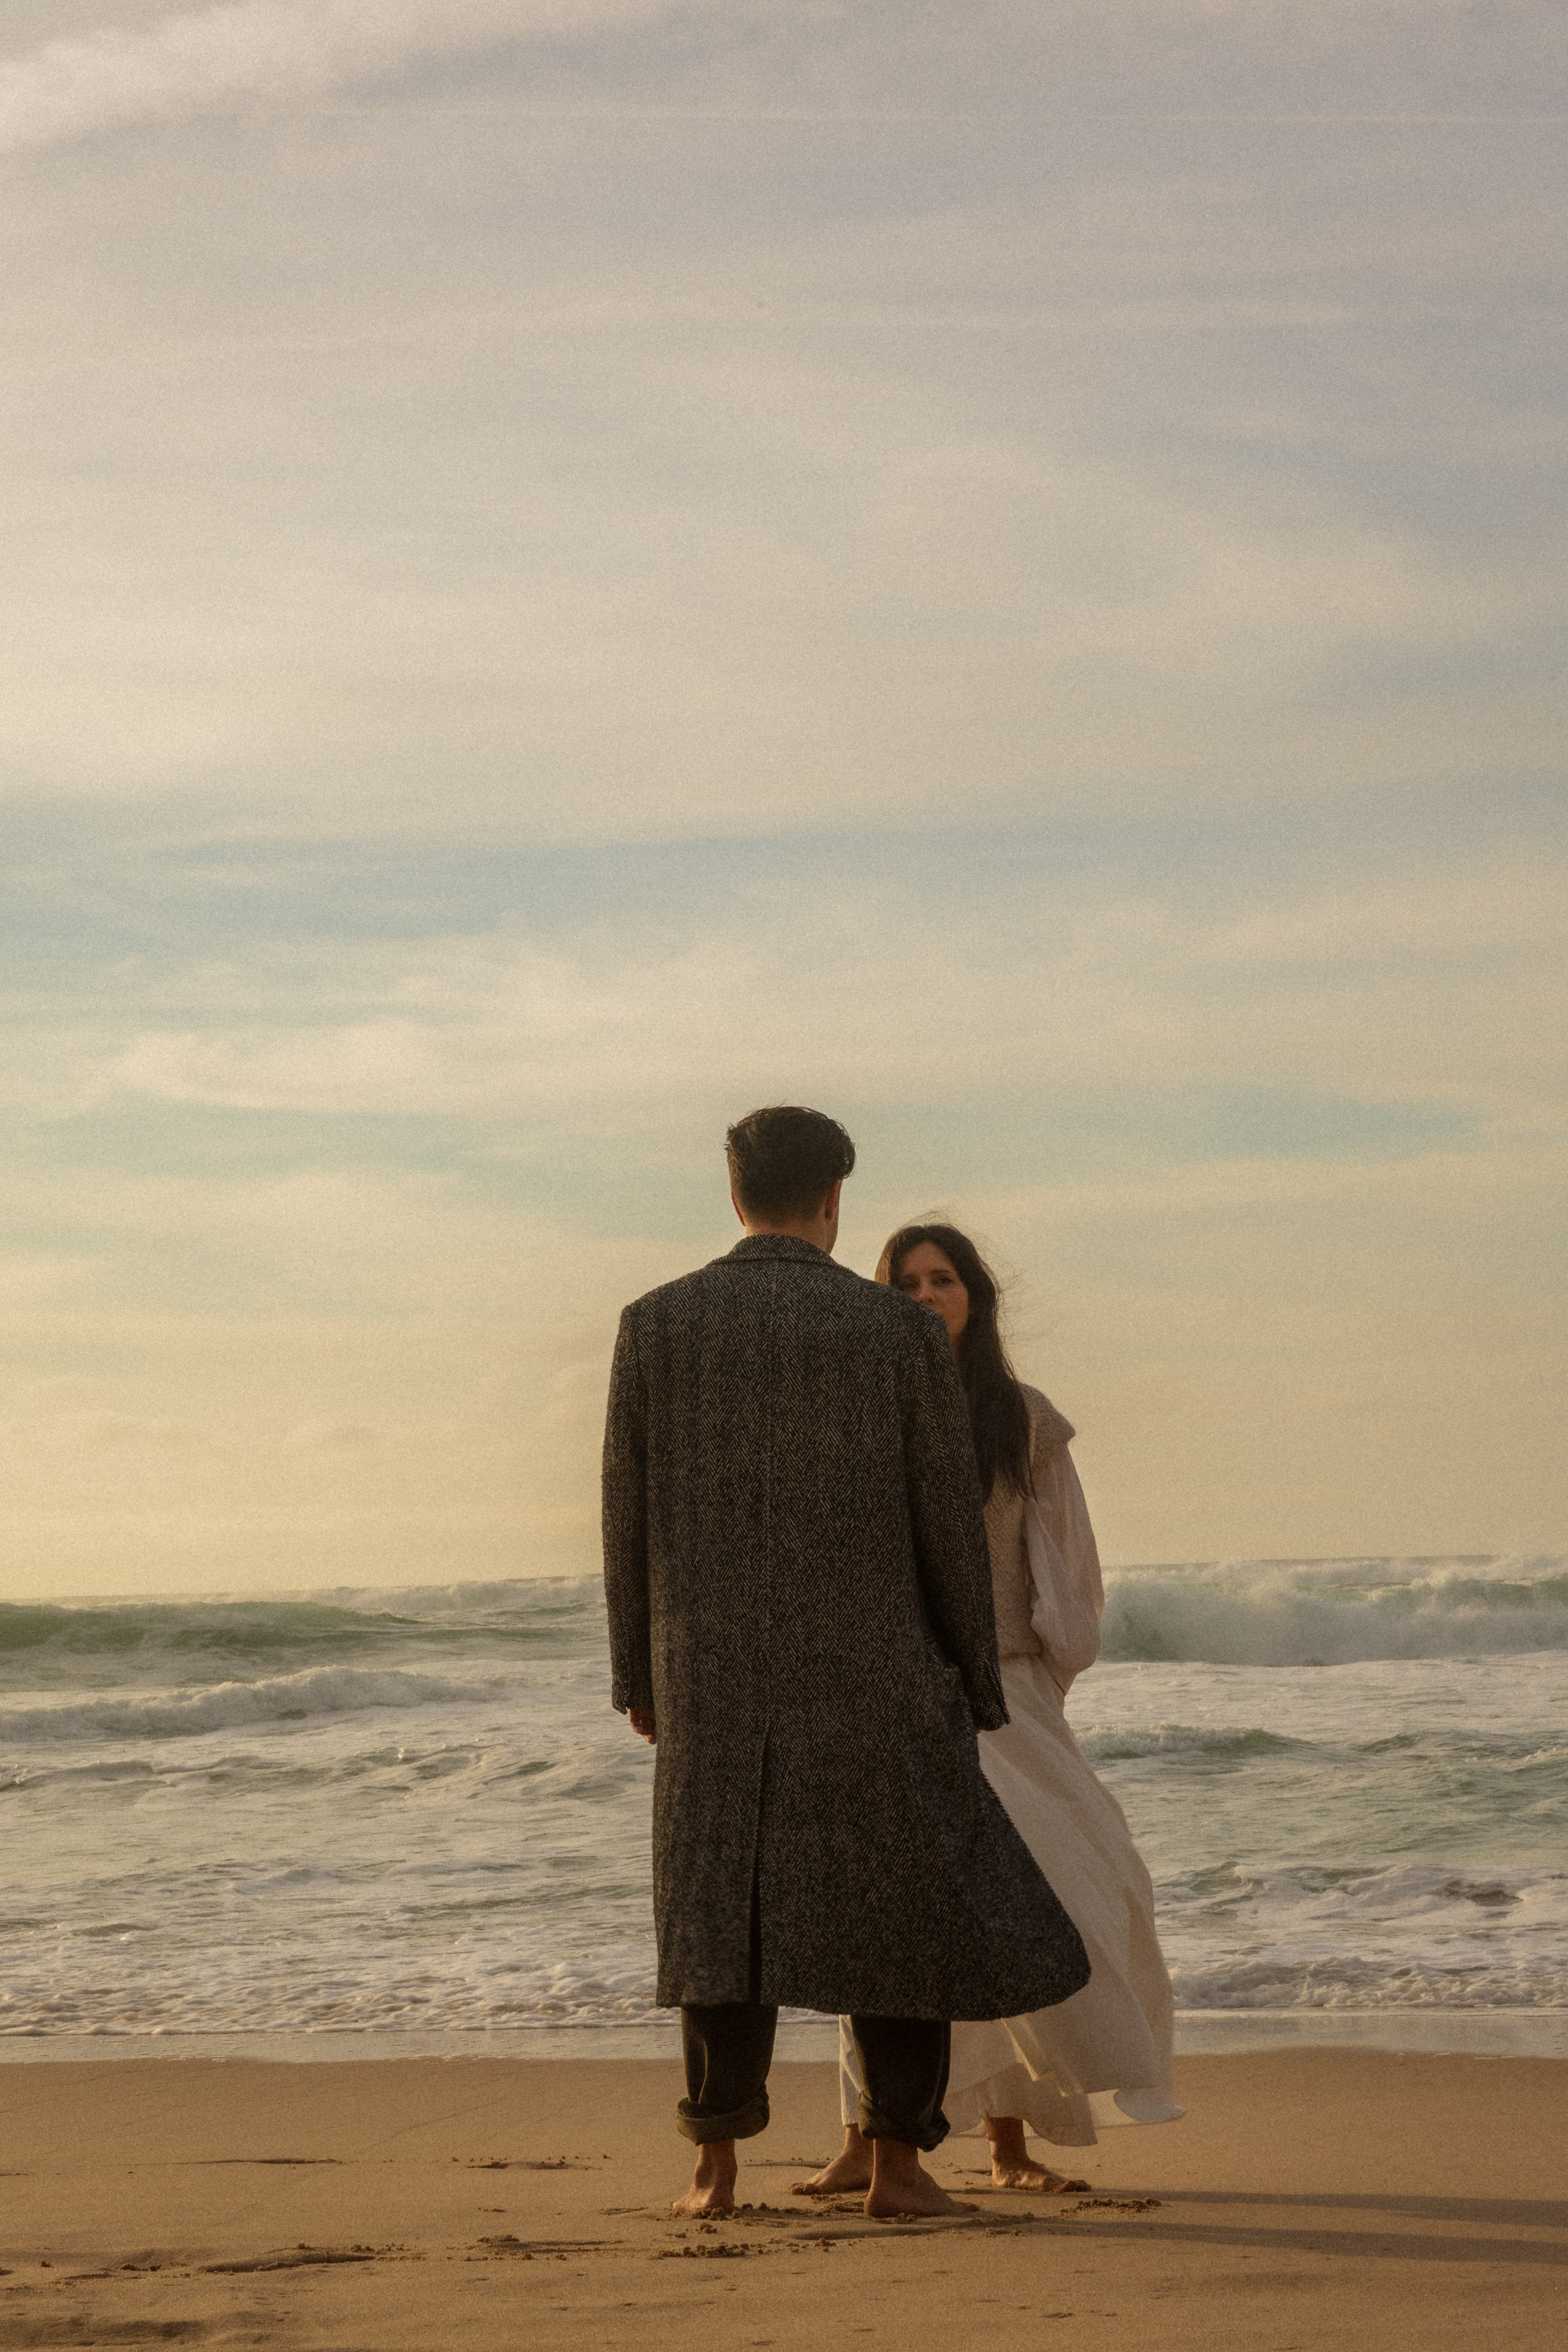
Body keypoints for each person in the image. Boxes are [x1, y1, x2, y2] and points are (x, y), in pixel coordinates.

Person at [602, 1112, 1091, 2220]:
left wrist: (639, 1676)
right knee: (901, 1922)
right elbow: (943, 1532)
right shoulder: (898, 1336)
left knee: (720, 1918)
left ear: (736, 1199)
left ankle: (713, 2169)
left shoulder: (654, 1324)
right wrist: (973, 1675)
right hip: (880, 1671)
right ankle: (899, 2171)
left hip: (712, 1677)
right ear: (832, 1201)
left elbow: (624, 1520)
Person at [801, 1220, 1183, 2201]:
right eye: (908, 1282)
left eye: (945, 1280)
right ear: (880, 1297)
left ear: (976, 1295)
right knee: (886, 1917)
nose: (928, 1296)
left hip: (1007, 1690)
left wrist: (1054, 1667)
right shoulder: (854, 1409)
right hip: (891, 1691)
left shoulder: (1020, 1415)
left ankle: (1010, 2146)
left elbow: (1066, 1559)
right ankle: (864, 2138)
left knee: (1065, 1895)